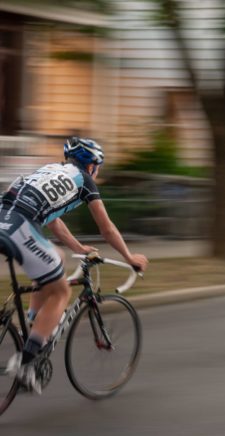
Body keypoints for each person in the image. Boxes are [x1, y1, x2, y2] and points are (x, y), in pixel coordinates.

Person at [0, 137, 148, 393]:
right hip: (19, 227)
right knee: (61, 291)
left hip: (6, 218)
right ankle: (26, 362)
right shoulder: (84, 181)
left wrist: (78, 248)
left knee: (55, 258)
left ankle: (33, 326)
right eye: (97, 166)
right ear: (92, 166)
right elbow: (107, 228)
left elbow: (51, 219)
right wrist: (129, 258)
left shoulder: (49, 170)